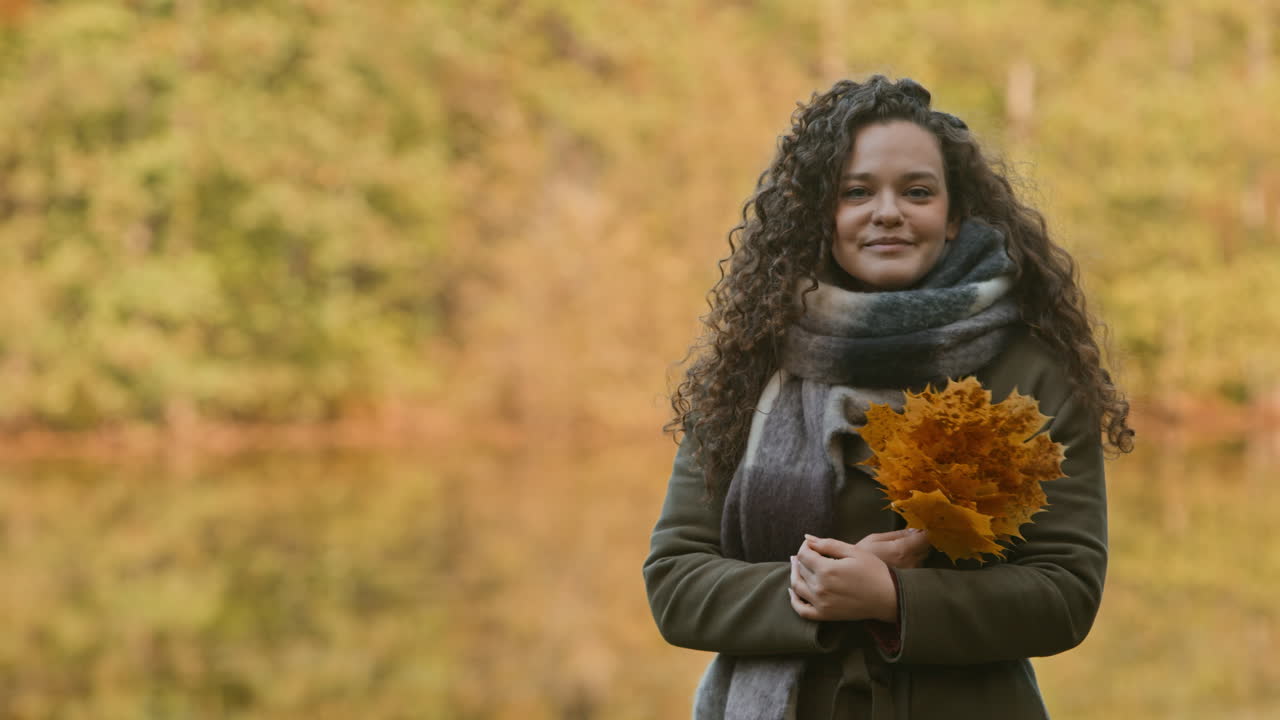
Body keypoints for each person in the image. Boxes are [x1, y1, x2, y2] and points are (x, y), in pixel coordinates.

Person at [642, 76, 1135, 720]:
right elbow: (676, 583)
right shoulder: (753, 362)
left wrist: (896, 598)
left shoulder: (1032, 369)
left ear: (953, 216)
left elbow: (1065, 592)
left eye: (918, 192)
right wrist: (808, 588)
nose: (887, 212)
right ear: (824, 213)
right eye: (857, 192)